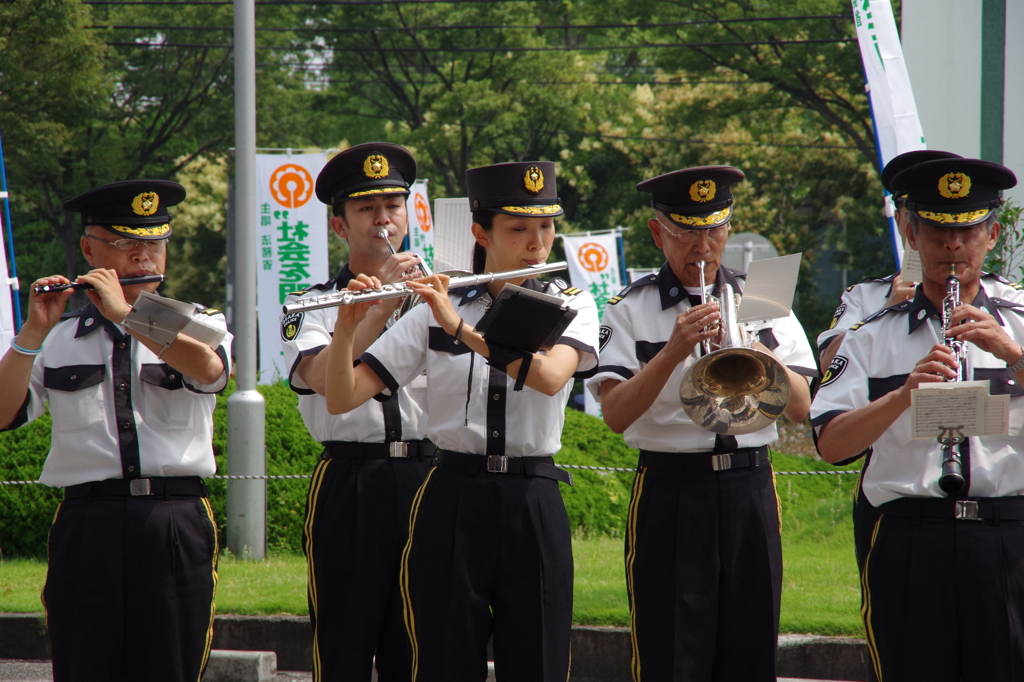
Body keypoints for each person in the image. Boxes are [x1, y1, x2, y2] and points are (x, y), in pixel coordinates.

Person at [323, 160, 598, 681]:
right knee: (444, 659)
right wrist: (346, 329)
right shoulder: (437, 307)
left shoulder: (572, 304)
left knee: (537, 658)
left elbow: (548, 377)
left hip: (531, 497)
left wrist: (463, 328)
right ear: (481, 232)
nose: (537, 242)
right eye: (518, 229)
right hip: (451, 494)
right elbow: (342, 396)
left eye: (545, 226)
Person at [585, 166, 816, 681]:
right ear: (656, 232)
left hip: (749, 485)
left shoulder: (765, 299)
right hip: (671, 488)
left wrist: (758, 353)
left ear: (729, 229)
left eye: (714, 229)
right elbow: (615, 414)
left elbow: (801, 407)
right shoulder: (629, 308)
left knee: (751, 649)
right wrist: (673, 351)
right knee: (671, 651)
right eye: (686, 230)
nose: (702, 246)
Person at [0, 180, 231, 682]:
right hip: (88, 522)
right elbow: (3, 414)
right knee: (84, 664)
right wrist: (32, 333)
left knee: (172, 664)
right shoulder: (59, 338)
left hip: (172, 518)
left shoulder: (200, 322)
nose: (144, 258)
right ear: (89, 250)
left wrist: (127, 316)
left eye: (155, 243)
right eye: (128, 245)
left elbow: (209, 371)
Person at [812, 158, 1024, 681]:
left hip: (1008, 538)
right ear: (912, 232)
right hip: (911, 541)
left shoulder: (1019, 318)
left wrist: (1010, 354)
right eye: (938, 231)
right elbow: (831, 445)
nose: (953, 247)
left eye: (969, 231)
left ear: (992, 234)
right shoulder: (869, 334)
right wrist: (903, 397)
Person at [280, 142, 432, 682]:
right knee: (343, 640)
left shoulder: (440, 296)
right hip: (351, 478)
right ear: (340, 227)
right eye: (367, 209)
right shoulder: (308, 303)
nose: (383, 219)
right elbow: (324, 380)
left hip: (430, 472)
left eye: (394, 205)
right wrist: (380, 305)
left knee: (421, 644)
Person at [817, 150, 962, 369]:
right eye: (913, 218)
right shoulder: (864, 298)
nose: (926, 231)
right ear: (898, 221)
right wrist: (884, 313)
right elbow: (828, 366)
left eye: (940, 220)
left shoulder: (1003, 298)